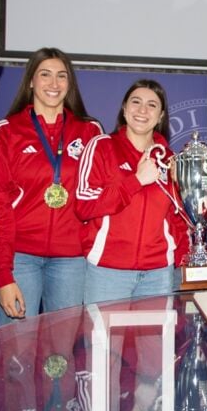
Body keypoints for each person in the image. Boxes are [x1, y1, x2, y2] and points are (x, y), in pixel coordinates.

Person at [0, 47, 103, 322]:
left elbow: (99, 198)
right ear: (30, 81)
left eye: (62, 76)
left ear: (69, 83)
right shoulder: (5, 132)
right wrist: (4, 274)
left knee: (61, 352)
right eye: (45, 75)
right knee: (14, 351)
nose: (54, 84)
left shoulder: (90, 132)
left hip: (71, 260)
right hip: (20, 258)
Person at [75, 79, 189, 304]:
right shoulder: (101, 146)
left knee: (155, 340)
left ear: (161, 116)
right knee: (105, 340)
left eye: (152, 105)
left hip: (158, 273)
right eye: (136, 102)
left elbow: (178, 219)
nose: (142, 110)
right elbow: (84, 206)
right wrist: (136, 180)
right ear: (125, 109)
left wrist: (183, 258)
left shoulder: (169, 160)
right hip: (109, 271)